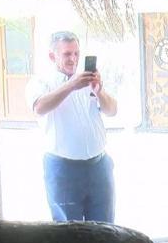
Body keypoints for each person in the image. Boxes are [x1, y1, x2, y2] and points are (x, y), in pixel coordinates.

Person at [26, 31, 117, 223]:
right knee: (68, 234)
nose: (73, 59)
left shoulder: (86, 80)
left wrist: (98, 90)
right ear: (53, 56)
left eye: (76, 53)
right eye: (67, 54)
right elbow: (40, 107)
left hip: (98, 165)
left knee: (106, 229)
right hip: (63, 168)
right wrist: (71, 86)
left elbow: (112, 110)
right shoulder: (40, 81)